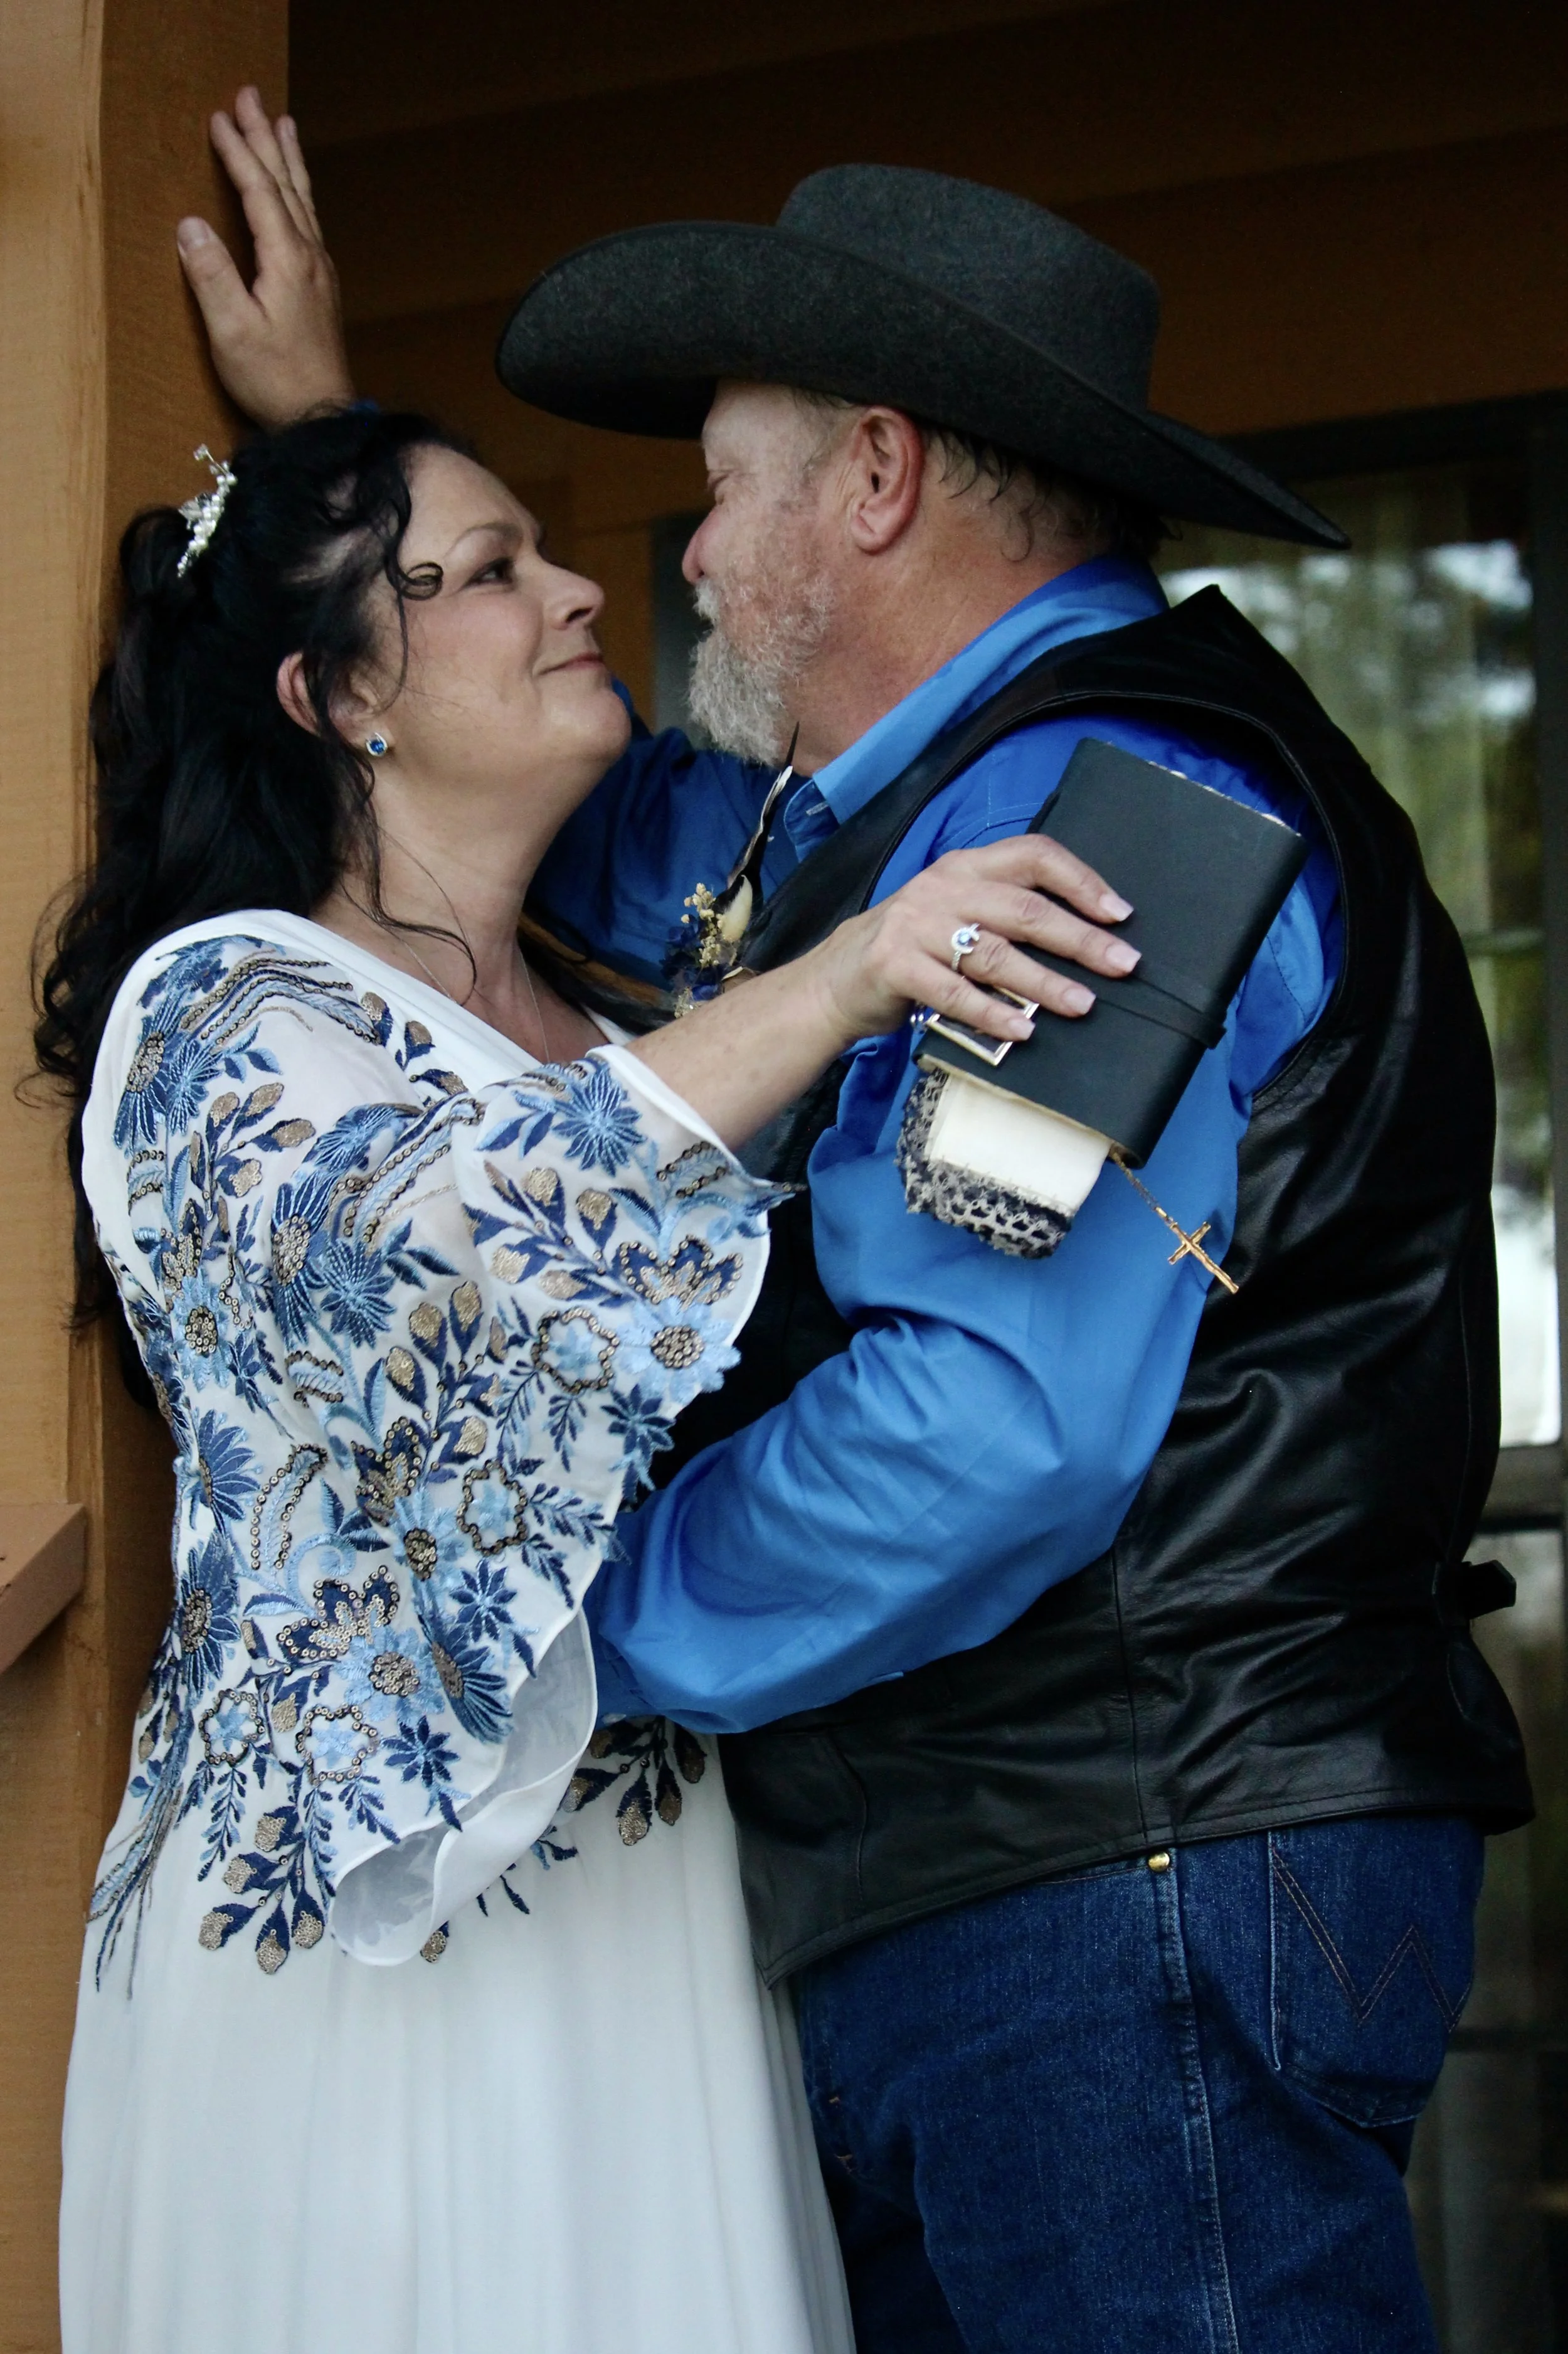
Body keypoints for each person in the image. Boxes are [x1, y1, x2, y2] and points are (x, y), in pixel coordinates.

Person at [182, 95, 1533, 2354]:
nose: (680, 563)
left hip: (1124, 1866)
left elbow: (990, 1417)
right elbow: (571, 806)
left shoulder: (1120, 828)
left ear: (874, 481)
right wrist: (345, 494)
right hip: (1044, 1874)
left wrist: (559, 1634)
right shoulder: (909, 819)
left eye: (717, 490)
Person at [36, 403, 1134, 2354]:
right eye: (488, 571)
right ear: (334, 691)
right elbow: (411, 1265)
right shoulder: (213, 1006)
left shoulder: (627, 1012)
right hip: (366, 1936)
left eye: (550, 552)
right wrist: (847, 975)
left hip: (656, 1894)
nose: (573, 594)